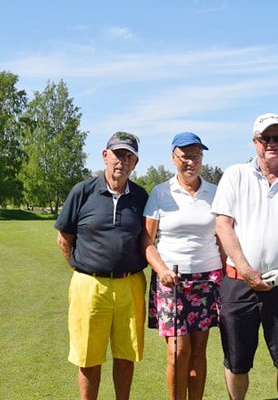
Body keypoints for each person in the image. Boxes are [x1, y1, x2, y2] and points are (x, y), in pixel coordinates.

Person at [211, 112, 278, 400]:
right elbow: (223, 224)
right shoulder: (235, 174)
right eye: (265, 138)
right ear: (254, 141)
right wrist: (246, 269)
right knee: (237, 361)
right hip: (238, 283)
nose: (272, 143)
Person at [54, 131, 148, 400]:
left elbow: (148, 238)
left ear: (135, 163)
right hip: (89, 284)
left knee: (125, 355)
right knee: (88, 356)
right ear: (105, 156)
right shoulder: (82, 191)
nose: (122, 161)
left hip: (130, 284)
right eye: (118, 154)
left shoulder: (141, 197)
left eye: (129, 156)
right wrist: (80, 267)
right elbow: (64, 239)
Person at [142, 132, 224, 400]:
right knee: (178, 352)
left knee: (199, 351)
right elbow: (147, 240)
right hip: (171, 280)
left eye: (197, 156)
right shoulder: (160, 192)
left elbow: (223, 237)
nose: (191, 162)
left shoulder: (215, 192)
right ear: (173, 158)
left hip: (207, 279)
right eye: (185, 156)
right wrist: (161, 270)